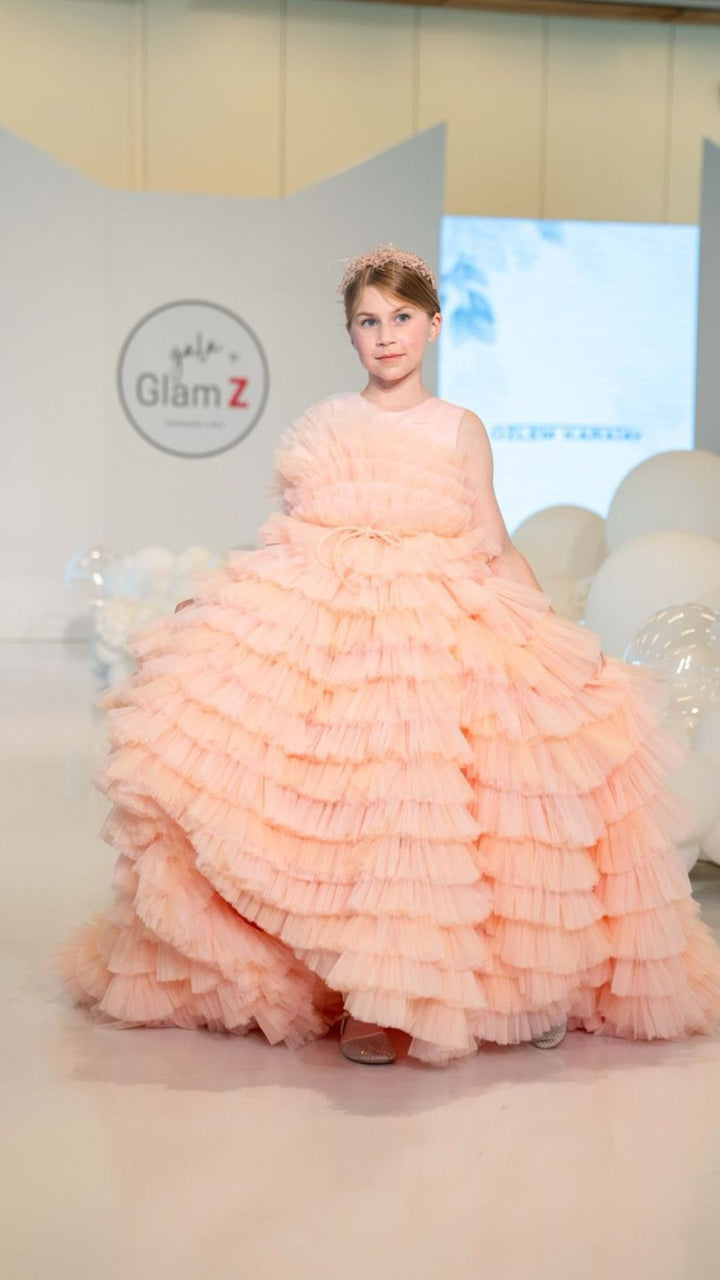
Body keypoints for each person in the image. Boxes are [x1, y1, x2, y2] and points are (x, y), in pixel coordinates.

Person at [53, 244, 720, 1068]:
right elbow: (289, 534)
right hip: (337, 625)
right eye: (368, 321)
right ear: (351, 334)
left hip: (438, 623)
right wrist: (221, 599)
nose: (386, 335)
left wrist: (547, 630)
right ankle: (361, 991)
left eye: (402, 318)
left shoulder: (458, 427)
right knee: (351, 805)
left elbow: (490, 535)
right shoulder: (327, 423)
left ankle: (514, 988)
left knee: (466, 806)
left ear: (433, 326)